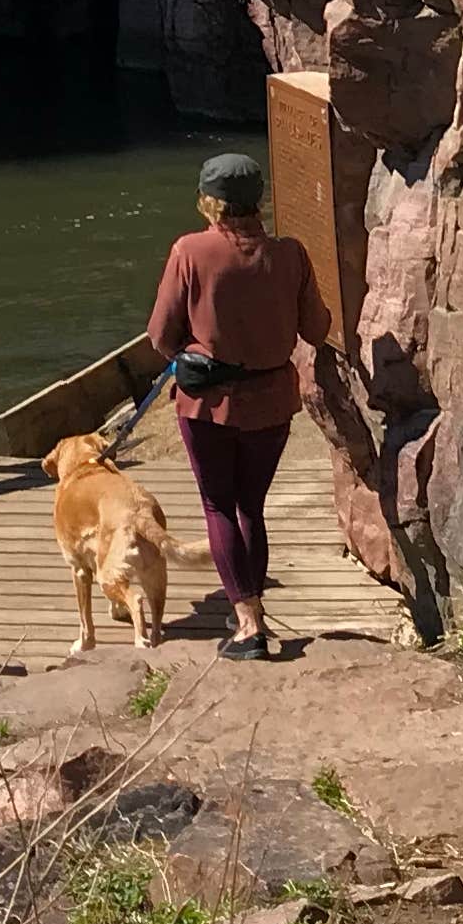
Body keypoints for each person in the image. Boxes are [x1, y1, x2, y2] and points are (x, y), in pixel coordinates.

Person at [140, 151, 325, 656]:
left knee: (218, 504)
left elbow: (160, 335)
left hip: (208, 406)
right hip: (271, 403)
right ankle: (252, 606)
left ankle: (248, 625)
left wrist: (191, 349)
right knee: (251, 507)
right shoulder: (291, 254)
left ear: (209, 202)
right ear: (258, 200)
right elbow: (317, 328)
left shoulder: (190, 251)